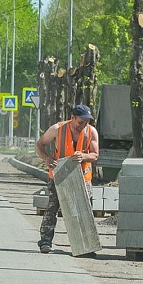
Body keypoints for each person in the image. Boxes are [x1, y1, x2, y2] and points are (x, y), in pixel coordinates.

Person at [35, 104, 99, 254]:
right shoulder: (57, 129)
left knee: (85, 211)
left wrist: (84, 156)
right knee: (52, 209)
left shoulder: (91, 132)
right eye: (80, 122)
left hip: (83, 178)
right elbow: (40, 144)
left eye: (86, 122)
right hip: (60, 175)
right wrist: (46, 158)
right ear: (72, 118)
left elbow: (95, 155)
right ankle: (45, 242)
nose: (83, 125)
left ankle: (86, 246)